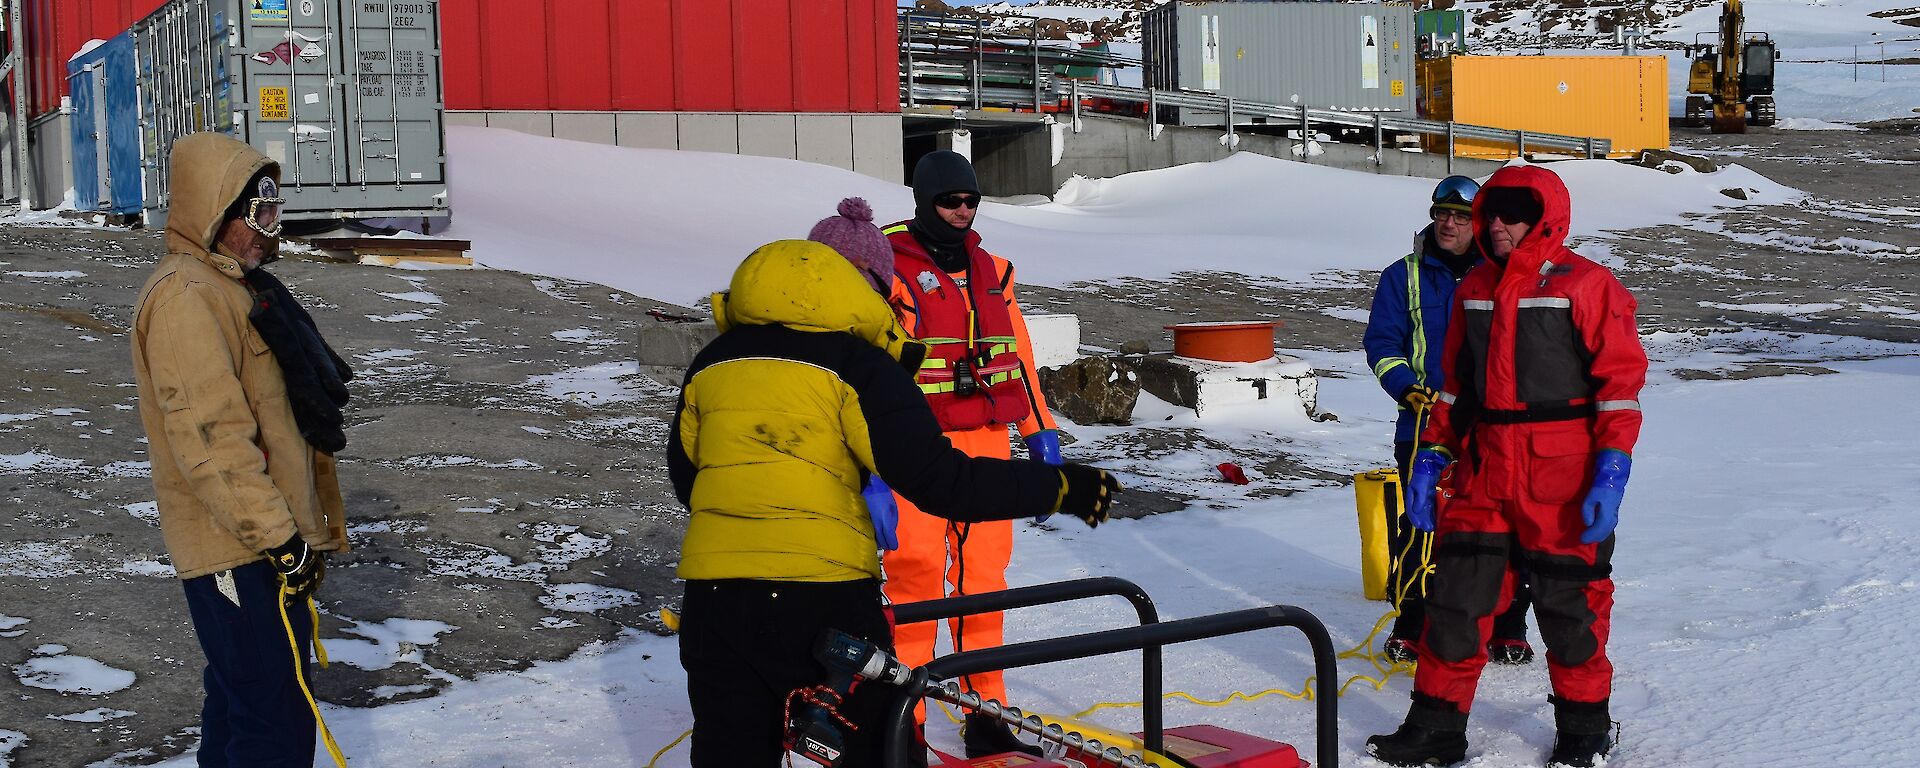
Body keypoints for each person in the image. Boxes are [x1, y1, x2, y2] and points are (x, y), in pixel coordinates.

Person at [667, 234, 1121, 768]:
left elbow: (687, 479)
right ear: (872, 290)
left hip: (716, 602)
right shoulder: (858, 364)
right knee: (873, 749)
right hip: (822, 598)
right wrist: (1063, 487)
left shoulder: (713, 360)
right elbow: (943, 482)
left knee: (730, 752)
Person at [1365, 165, 1646, 768]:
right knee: (1457, 603)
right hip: (1483, 474)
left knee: (1572, 609)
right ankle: (1436, 727)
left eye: (1510, 215)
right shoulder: (1474, 291)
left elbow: (1620, 389)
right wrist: (1433, 456)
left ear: (1544, 219)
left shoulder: (1590, 286)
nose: (1495, 226)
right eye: (1490, 213)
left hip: (1562, 480)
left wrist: (1612, 469)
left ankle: (1584, 733)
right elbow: (1454, 389)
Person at [131, 132, 352, 767]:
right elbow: (212, 439)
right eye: (256, 215)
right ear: (215, 213)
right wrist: (281, 539)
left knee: (244, 699)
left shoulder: (233, 287)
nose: (267, 232)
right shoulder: (185, 298)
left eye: (274, 213)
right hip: (236, 544)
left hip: (262, 539)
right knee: (271, 717)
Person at [879, 151, 1063, 758]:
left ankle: (988, 713)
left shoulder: (996, 272)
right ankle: (905, 716)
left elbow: (1020, 361)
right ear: (923, 202)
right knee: (917, 580)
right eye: (949, 201)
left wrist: (1040, 432)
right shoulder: (884, 268)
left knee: (985, 579)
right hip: (915, 448)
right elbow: (869, 367)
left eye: (971, 201)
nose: (962, 211)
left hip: (987, 442)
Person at [1363, 175, 1537, 667]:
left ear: (1477, 222)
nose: (1448, 224)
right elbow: (1382, 345)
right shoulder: (1403, 275)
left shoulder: (1501, 273)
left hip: (1492, 424)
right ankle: (1414, 624)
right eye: (1441, 213)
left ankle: (1508, 625)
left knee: (1502, 527)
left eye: (1461, 217)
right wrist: (1404, 386)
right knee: (1421, 524)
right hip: (1421, 423)